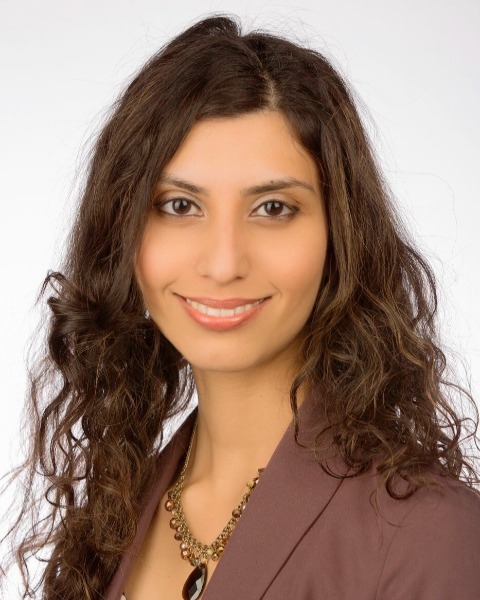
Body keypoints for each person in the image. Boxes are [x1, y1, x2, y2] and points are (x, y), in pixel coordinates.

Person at [2, 14, 480, 600]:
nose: (224, 263)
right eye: (179, 205)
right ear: (122, 231)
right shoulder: (113, 515)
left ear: (340, 236)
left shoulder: (430, 536)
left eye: (273, 208)